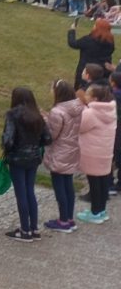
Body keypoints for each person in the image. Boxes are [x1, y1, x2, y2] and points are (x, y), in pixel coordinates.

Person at [1, 87, 52, 241]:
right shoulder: (38, 116)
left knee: (21, 193)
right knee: (30, 191)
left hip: (17, 159)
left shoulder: (12, 116)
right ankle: (34, 228)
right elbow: (48, 138)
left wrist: (7, 147)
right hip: (34, 158)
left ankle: (24, 230)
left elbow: (8, 140)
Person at [43, 79, 83, 232]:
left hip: (59, 152)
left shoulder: (57, 111)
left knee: (59, 186)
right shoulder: (77, 108)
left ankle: (63, 221)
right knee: (68, 185)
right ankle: (69, 218)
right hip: (72, 150)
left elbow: (52, 135)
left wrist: (45, 120)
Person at [77, 84, 118, 224]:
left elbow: (80, 127)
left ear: (94, 98)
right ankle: (101, 210)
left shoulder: (91, 113)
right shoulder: (110, 110)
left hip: (92, 154)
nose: (85, 96)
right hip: (105, 152)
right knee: (103, 182)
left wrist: (82, 107)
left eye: (88, 94)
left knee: (94, 183)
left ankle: (95, 212)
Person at [68, 18, 115, 89]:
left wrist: (72, 30)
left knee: (82, 90)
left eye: (95, 25)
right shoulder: (110, 42)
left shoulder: (88, 40)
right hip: (103, 71)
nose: (93, 27)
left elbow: (73, 43)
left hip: (87, 70)